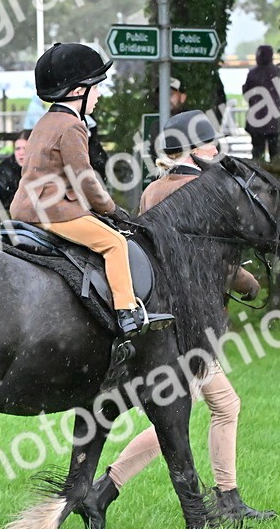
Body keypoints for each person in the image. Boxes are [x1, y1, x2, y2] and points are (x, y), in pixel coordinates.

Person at [77, 109, 274, 529]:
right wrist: (246, 281)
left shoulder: (152, 190)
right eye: (209, 144)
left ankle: (106, 491)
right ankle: (224, 500)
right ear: (190, 150)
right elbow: (207, 257)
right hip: (189, 322)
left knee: (198, 408)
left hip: (160, 315)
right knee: (210, 408)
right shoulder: (199, 189)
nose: (217, 150)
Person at [10, 42, 174, 339]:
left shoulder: (45, 122)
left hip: (26, 206)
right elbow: (85, 179)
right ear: (77, 91)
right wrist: (111, 210)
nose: (98, 95)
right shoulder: (72, 126)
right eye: (95, 87)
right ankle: (128, 314)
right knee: (114, 242)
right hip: (53, 209)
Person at [242, 45, 280, 161]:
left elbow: (246, 94)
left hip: (257, 121)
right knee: (275, 153)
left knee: (257, 154)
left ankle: (258, 176)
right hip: (275, 120)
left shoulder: (252, 73)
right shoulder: (278, 72)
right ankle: (275, 176)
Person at [0, 130, 28, 208]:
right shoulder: (3, 171)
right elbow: (4, 202)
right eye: (18, 148)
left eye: (25, 148)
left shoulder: (42, 168)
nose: (21, 152)